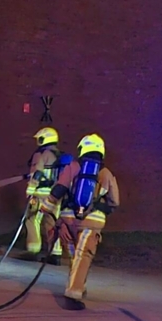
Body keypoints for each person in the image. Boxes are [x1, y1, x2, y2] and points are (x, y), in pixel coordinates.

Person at [39, 133, 120, 301]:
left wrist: (46, 207)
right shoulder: (106, 173)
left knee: (73, 256)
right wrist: (101, 209)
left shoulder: (73, 167)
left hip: (68, 220)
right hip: (92, 222)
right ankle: (74, 291)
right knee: (83, 256)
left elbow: (58, 189)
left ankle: (77, 286)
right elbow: (114, 202)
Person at [23, 127, 64, 262]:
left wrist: (30, 188)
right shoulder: (59, 155)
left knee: (32, 219)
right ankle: (55, 253)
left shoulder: (41, 154)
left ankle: (33, 250)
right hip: (56, 194)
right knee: (52, 222)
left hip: (41, 193)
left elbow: (38, 172)